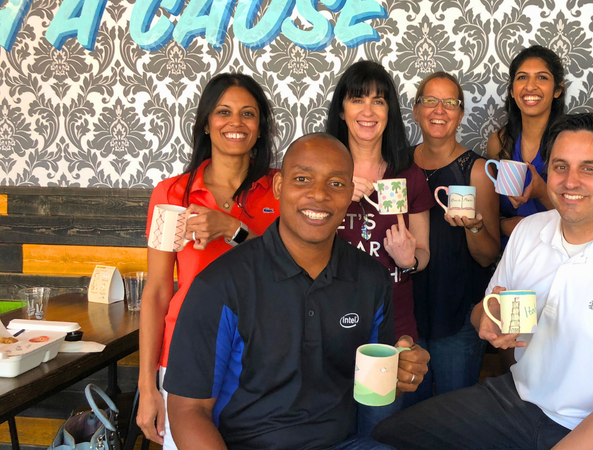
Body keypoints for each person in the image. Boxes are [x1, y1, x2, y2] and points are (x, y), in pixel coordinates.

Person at [374, 113, 593, 450]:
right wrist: (488, 320)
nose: (571, 181)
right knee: (389, 438)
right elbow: (483, 311)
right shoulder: (529, 232)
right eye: (560, 167)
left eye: (589, 168)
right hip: (519, 403)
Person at [163, 134, 430, 450]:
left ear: (349, 196)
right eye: (303, 179)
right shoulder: (220, 285)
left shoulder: (370, 279)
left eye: (336, 184)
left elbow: (377, 383)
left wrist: (402, 373)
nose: (319, 194)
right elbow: (187, 410)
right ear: (279, 187)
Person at [137, 73, 280, 449]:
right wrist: (147, 385)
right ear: (206, 122)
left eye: (248, 113)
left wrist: (234, 229)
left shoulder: (282, 188)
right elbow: (155, 292)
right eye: (223, 112)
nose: (236, 122)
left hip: (264, 354)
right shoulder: (172, 193)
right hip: (184, 353)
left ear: (261, 127)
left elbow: (288, 270)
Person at [326, 60, 435, 433]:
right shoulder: (325, 169)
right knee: (324, 432)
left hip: (391, 328)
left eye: (379, 101)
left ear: (390, 112)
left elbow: (422, 255)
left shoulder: (408, 173)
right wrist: (338, 198)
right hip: (326, 327)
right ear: (342, 110)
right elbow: (296, 243)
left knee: (379, 431)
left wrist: (410, 258)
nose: (368, 111)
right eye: (357, 100)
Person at [404, 72, 501, 405]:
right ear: (416, 110)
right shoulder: (398, 167)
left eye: (449, 103)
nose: (439, 110)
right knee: (406, 423)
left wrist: (473, 226)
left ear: (460, 114)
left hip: (458, 315)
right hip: (405, 314)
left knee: (452, 416)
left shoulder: (477, 171)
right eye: (430, 101)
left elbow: (489, 256)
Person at [487, 45, 565, 245]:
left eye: (542, 77)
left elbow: (588, 217)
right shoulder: (499, 143)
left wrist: (543, 194)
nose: (530, 86)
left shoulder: (570, 143)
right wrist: (504, 225)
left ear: (557, 90)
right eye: (522, 77)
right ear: (512, 91)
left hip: (557, 258)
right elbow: (490, 213)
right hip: (511, 258)